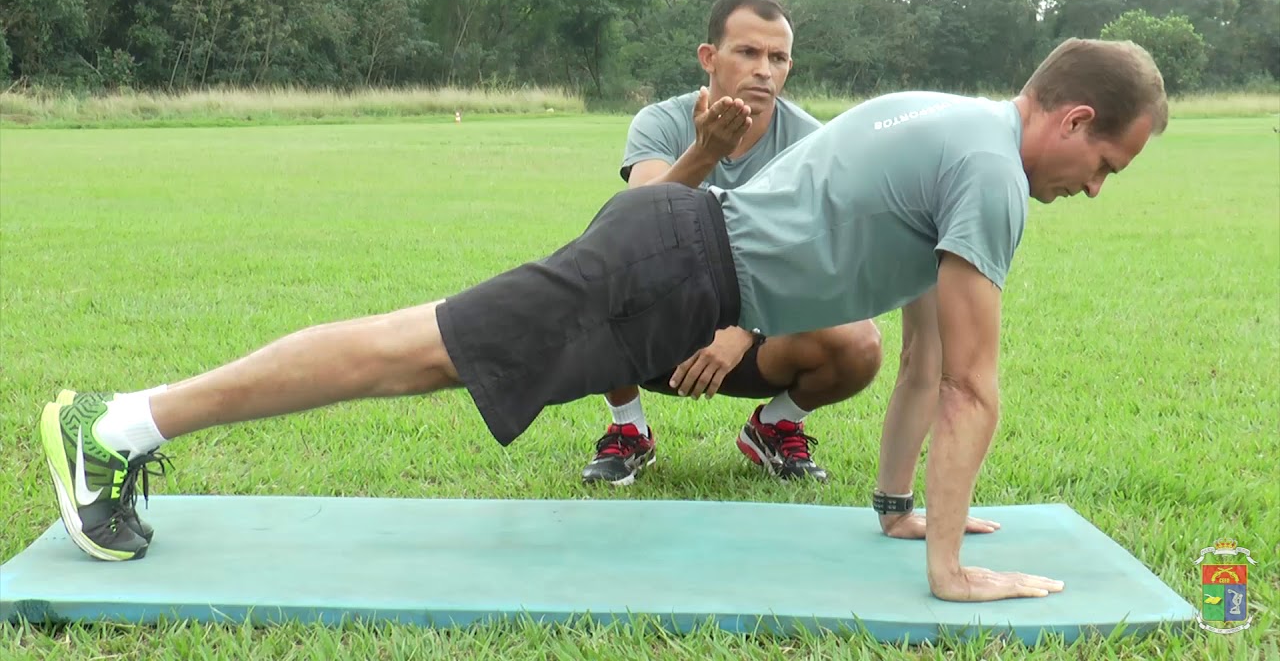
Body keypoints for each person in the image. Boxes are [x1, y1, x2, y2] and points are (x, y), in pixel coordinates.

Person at [40, 37, 1166, 602]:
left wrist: (897, 512)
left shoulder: (949, 122)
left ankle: (129, 423)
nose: (1094, 188)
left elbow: (922, 359)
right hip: (675, 269)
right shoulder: (993, 176)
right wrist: (946, 574)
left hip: (675, 255)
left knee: (416, 354)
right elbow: (971, 382)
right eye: (1104, 162)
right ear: (1071, 119)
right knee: (410, 353)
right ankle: (118, 425)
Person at [583, 0, 882, 486]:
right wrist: (705, 153)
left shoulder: (812, 143)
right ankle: (629, 432)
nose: (764, 69)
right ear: (709, 57)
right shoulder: (660, 121)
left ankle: (775, 426)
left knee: (860, 342)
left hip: (758, 337)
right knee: (593, 275)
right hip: (665, 329)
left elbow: (813, 264)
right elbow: (636, 223)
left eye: (778, 57)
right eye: (748, 52)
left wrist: (742, 330)